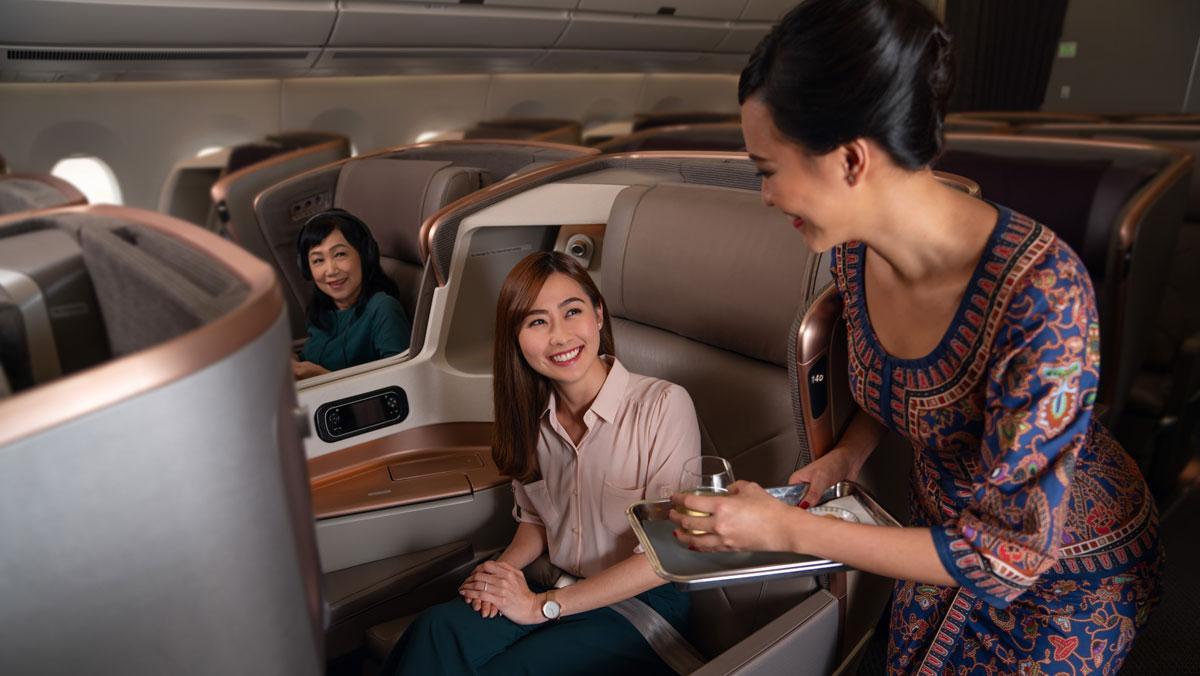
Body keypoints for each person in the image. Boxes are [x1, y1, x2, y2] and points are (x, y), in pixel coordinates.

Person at [668, 1, 1162, 674]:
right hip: (935, 544)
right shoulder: (853, 252)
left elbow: (1007, 557)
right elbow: (896, 381)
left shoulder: (1043, 295)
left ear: (848, 161)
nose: (764, 195)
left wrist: (783, 528)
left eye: (766, 169)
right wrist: (845, 456)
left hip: (1062, 576)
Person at [384, 251, 701, 675]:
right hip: (553, 581)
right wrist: (498, 573)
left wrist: (540, 606)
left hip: (639, 604)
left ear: (599, 316)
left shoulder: (663, 405)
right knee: (436, 629)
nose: (560, 336)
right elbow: (536, 523)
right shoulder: (531, 417)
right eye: (537, 322)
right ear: (515, 337)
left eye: (572, 312)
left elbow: (665, 558)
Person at [292, 209, 411, 379]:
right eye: (318, 260)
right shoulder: (322, 311)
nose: (331, 270)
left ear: (365, 255)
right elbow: (312, 356)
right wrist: (294, 360)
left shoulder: (383, 309)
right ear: (307, 269)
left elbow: (399, 387)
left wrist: (323, 377)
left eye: (340, 254)